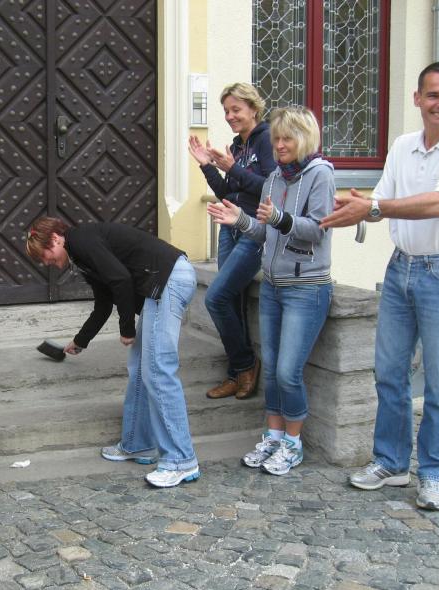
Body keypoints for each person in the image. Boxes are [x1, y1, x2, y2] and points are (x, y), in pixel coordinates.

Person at [322, 63, 439, 510]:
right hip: (401, 269)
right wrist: (352, 207)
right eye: (433, 95)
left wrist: (372, 208)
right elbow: (380, 199)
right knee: (389, 373)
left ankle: (432, 475)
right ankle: (391, 463)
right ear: (417, 99)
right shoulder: (402, 146)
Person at [25, 218, 199, 488]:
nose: (45, 262)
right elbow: (104, 303)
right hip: (162, 284)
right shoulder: (81, 255)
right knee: (140, 369)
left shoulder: (81, 240)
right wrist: (80, 341)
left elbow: (121, 279)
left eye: (44, 255)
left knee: (158, 370)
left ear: (56, 240)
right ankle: (138, 444)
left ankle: (181, 460)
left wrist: (127, 328)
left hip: (169, 280)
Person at [207, 106, 334, 475]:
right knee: (274, 371)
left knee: (288, 371)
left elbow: (318, 229)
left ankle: (293, 444)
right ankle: (274, 437)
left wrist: (279, 218)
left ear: (305, 139)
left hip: (306, 289)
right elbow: (266, 232)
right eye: (276, 138)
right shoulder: (275, 178)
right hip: (274, 287)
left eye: (287, 138)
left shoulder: (321, 174)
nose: (279, 145)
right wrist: (241, 220)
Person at [188, 82, 276, 400]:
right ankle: (236, 374)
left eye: (236, 109)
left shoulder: (267, 139)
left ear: (254, 108)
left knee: (216, 298)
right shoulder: (238, 145)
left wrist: (233, 168)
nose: (229, 116)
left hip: (253, 231)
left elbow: (271, 188)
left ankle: (245, 365)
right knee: (232, 300)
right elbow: (228, 192)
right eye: (226, 111)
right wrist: (207, 166)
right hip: (230, 228)